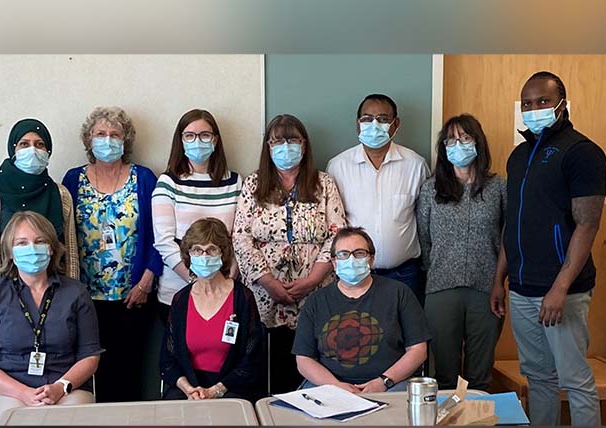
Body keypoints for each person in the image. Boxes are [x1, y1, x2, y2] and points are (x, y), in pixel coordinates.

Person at [490, 71, 606, 426]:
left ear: (561, 104)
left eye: (542, 101)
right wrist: (500, 279)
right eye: (527, 103)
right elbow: (515, 222)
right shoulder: (519, 156)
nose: (534, 108)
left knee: (574, 380)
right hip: (523, 289)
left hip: (562, 293)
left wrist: (560, 287)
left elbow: (587, 224)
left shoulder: (582, 152)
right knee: (538, 378)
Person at [233, 114, 346, 394]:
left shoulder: (324, 184)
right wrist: (268, 282)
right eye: (278, 141)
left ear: (304, 145)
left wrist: (312, 279)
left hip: (315, 290)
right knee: (268, 370)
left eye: (292, 140)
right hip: (265, 295)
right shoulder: (253, 184)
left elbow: (337, 233)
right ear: (268, 147)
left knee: (311, 365)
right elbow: (241, 236)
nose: (286, 147)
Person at [62, 106, 163, 402]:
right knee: (91, 373)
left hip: (134, 295)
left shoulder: (143, 179)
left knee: (130, 372)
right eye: (100, 134)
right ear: (89, 141)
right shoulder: (73, 180)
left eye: (115, 134)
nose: (107, 140)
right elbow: (64, 236)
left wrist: (145, 282)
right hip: (85, 298)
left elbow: (159, 236)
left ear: (126, 140)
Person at [0, 211, 102, 425]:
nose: (31, 248)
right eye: (22, 243)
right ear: (11, 253)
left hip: (67, 390)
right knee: (21, 426)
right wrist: (23, 393)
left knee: (74, 427)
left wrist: (60, 387)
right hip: (7, 393)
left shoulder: (76, 293)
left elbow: (90, 357)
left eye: (39, 241)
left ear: (51, 248)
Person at [416, 114, 506, 391]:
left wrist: (499, 281)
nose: (458, 145)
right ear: (443, 148)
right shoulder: (431, 188)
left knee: (479, 377)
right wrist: (438, 270)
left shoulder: (498, 187)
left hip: (486, 290)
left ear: (478, 142)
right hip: (441, 289)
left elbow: (508, 238)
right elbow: (424, 238)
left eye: (465, 138)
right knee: (444, 375)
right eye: (451, 140)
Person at [293, 227, 430, 393]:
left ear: (371, 260)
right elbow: (304, 360)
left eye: (359, 253)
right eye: (343, 254)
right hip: (329, 387)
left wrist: (383, 382)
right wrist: (336, 386)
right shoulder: (316, 301)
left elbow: (418, 350)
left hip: (392, 385)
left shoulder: (399, 293)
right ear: (335, 263)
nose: (351, 260)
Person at [326, 94, 429, 301]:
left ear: (395, 124)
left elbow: (425, 219)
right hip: (354, 273)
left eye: (383, 119)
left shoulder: (415, 165)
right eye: (367, 119)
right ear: (358, 125)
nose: (374, 125)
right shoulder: (338, 166)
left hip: (405, 274)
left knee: (407, 331)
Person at [152, 109, 242, 325]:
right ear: (181, 141)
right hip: (177, 291)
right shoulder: (168, 183)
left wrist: (227, 280)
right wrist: (195, 281)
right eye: (190, 135)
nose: (197, 141)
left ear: (215, 140)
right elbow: (164, 241)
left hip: (226, 289)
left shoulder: (235, 182)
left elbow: (241, 235)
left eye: (204, 135)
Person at [160, 218, 265, 402]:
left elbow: (252, 361)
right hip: (188, 390)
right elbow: (168, 361)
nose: (204, 256)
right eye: (197, 250)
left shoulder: (243, 298)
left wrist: (215, 391)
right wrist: (189, 390)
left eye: (212, 250)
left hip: (232, 388)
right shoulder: (180, 300)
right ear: (188, 254)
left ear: (222, 253)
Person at [0, 118, 79, 298]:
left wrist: (72, 299)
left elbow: (71, 253)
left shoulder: (61, 195)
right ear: (13, 150)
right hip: (4, 300)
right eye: (24, 144)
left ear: (48, 151)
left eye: (39, 144)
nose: (33, 150)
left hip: (54, 299)